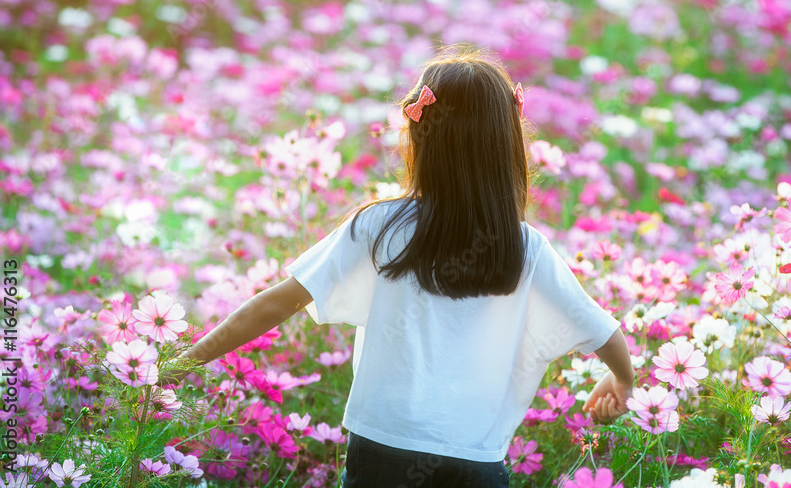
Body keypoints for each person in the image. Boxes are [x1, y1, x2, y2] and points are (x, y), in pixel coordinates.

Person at [166, 48, 636, 487]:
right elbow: (602, 332)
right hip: (475, 460)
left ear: (419, 132)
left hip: (382, 448)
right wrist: (622, 380)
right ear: (508, 143)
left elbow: (278, 302)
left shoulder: (379, 225)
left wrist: (186, 359)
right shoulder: (525, 247)